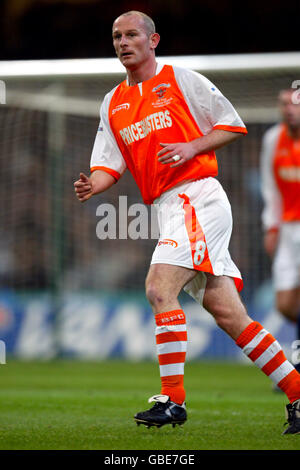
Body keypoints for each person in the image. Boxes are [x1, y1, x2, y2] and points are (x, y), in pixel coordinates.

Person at [74, 10, 300, 434]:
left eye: (131, 35)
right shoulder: (112, 102)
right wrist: (94, 185)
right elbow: (109, 164)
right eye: (116, 37)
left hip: (197, 196)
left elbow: (232, 124)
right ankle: (298, 392)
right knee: (229, 315)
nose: (123, 43)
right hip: (167, 207)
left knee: (159, 287)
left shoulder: (182, 79)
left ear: (153, 40)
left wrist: (191, 146)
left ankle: (173, 401)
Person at [261, 88, 300, 376]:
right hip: (287, 230)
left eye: (294, 104)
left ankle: (296, 368)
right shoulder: (274, 139)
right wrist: (271, 226)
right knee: (285, 304)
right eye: (283, 103)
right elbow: (269, 187)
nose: (288, 109)